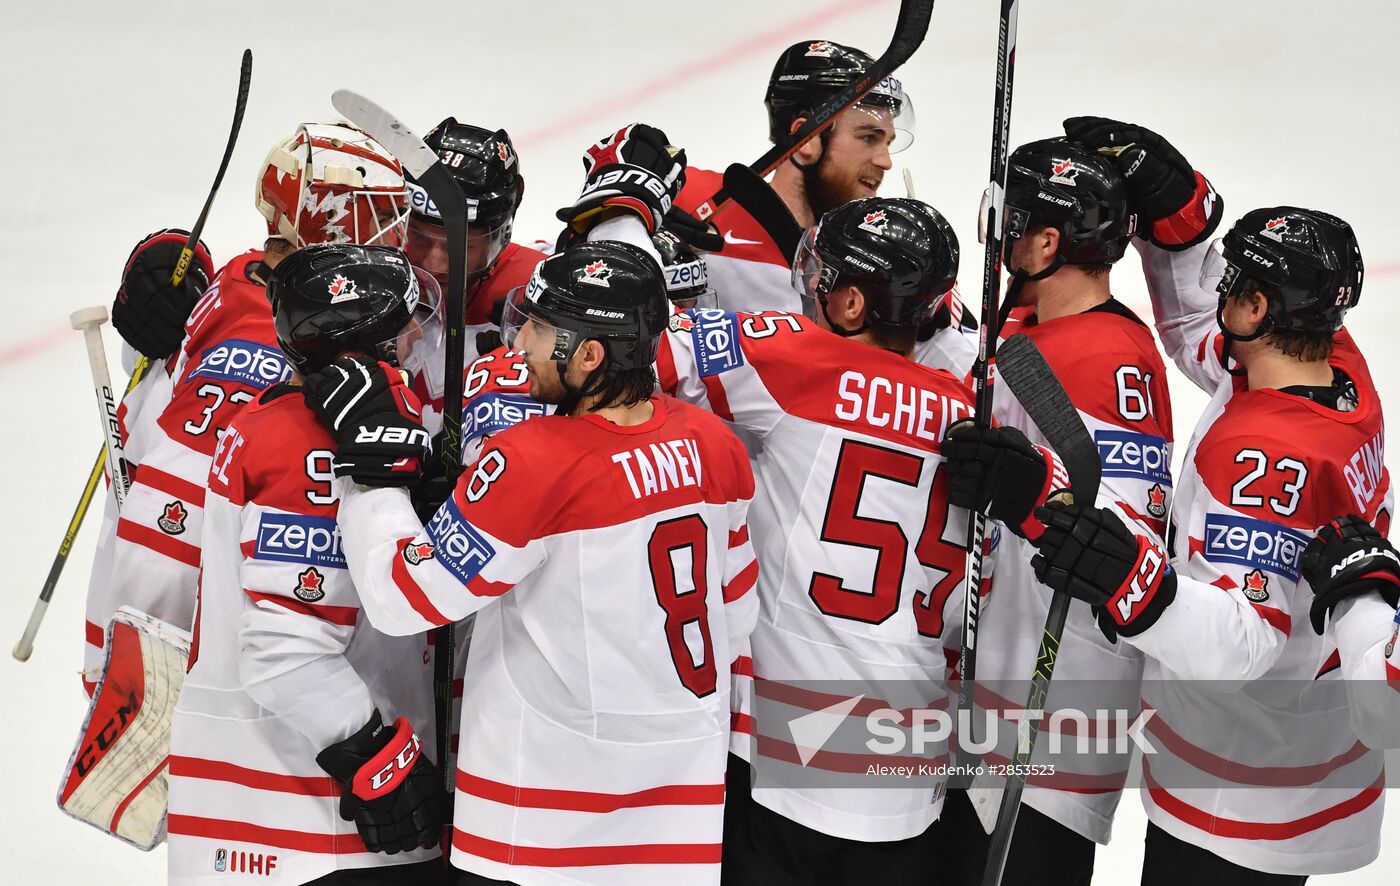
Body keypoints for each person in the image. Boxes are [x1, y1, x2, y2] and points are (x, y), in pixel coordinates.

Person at [306, 240, 759, 886]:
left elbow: (401, 599)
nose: (518, 345)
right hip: (680, 812)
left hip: (542, 820)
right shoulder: (715, 444)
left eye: (541, 330)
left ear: (591, 355)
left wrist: (370, 476)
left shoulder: (533, 461)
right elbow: (736, 621)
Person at [1030, 117, 1391, 881]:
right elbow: (1204, 325)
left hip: (1239, 792)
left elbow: (1239, 645)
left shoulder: (1257, 455)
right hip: (1305, 760)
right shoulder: (1340, 375)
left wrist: (1131, 579)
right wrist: (1179, 222)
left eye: (1234, 284)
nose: (1218, 291)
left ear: (1257, 310)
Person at [648, 196, 1040, 885]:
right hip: (908, 773)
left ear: (853, 303)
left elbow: (637, 350)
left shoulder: (795, 358)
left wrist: (632, 232)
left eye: (826, 277)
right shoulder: (969, 414)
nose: (812, 287)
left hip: (782, 757)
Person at [934, 134, 1185, 885]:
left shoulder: (1103, 354)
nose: (997, 236)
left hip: (1051, 711)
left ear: (1047, 243)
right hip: (998, 696)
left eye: (1012, 223)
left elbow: (1122, 535)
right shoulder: (1044, 325)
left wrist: (1028, 493)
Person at [82, 121, 410, 693]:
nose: (400, 237)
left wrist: (158, 276)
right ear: (334, 231)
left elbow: (150, 390)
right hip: (205, 606)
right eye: (384, 220)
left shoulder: (236, 281)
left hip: (146, 582)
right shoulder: (316, 332)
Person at [166, 243, 444, 885]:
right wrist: (378, 761)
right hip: (307, 824)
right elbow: (285, 653)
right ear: (364, 345)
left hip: (268, 817)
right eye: (402, 324)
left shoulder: (278, 421)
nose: (416, 336)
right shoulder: (311, 448)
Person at [672, 40, 914, 314]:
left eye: (888, 143)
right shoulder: (692, 199)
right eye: (869, 137)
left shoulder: (874, 258)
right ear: (807, 139)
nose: (885, 161)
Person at [401, 118, 546, 421]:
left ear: (501, 233)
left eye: (459, 246)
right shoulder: (370, 271)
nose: (434, 265)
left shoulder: (541, 289)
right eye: (419, 239)